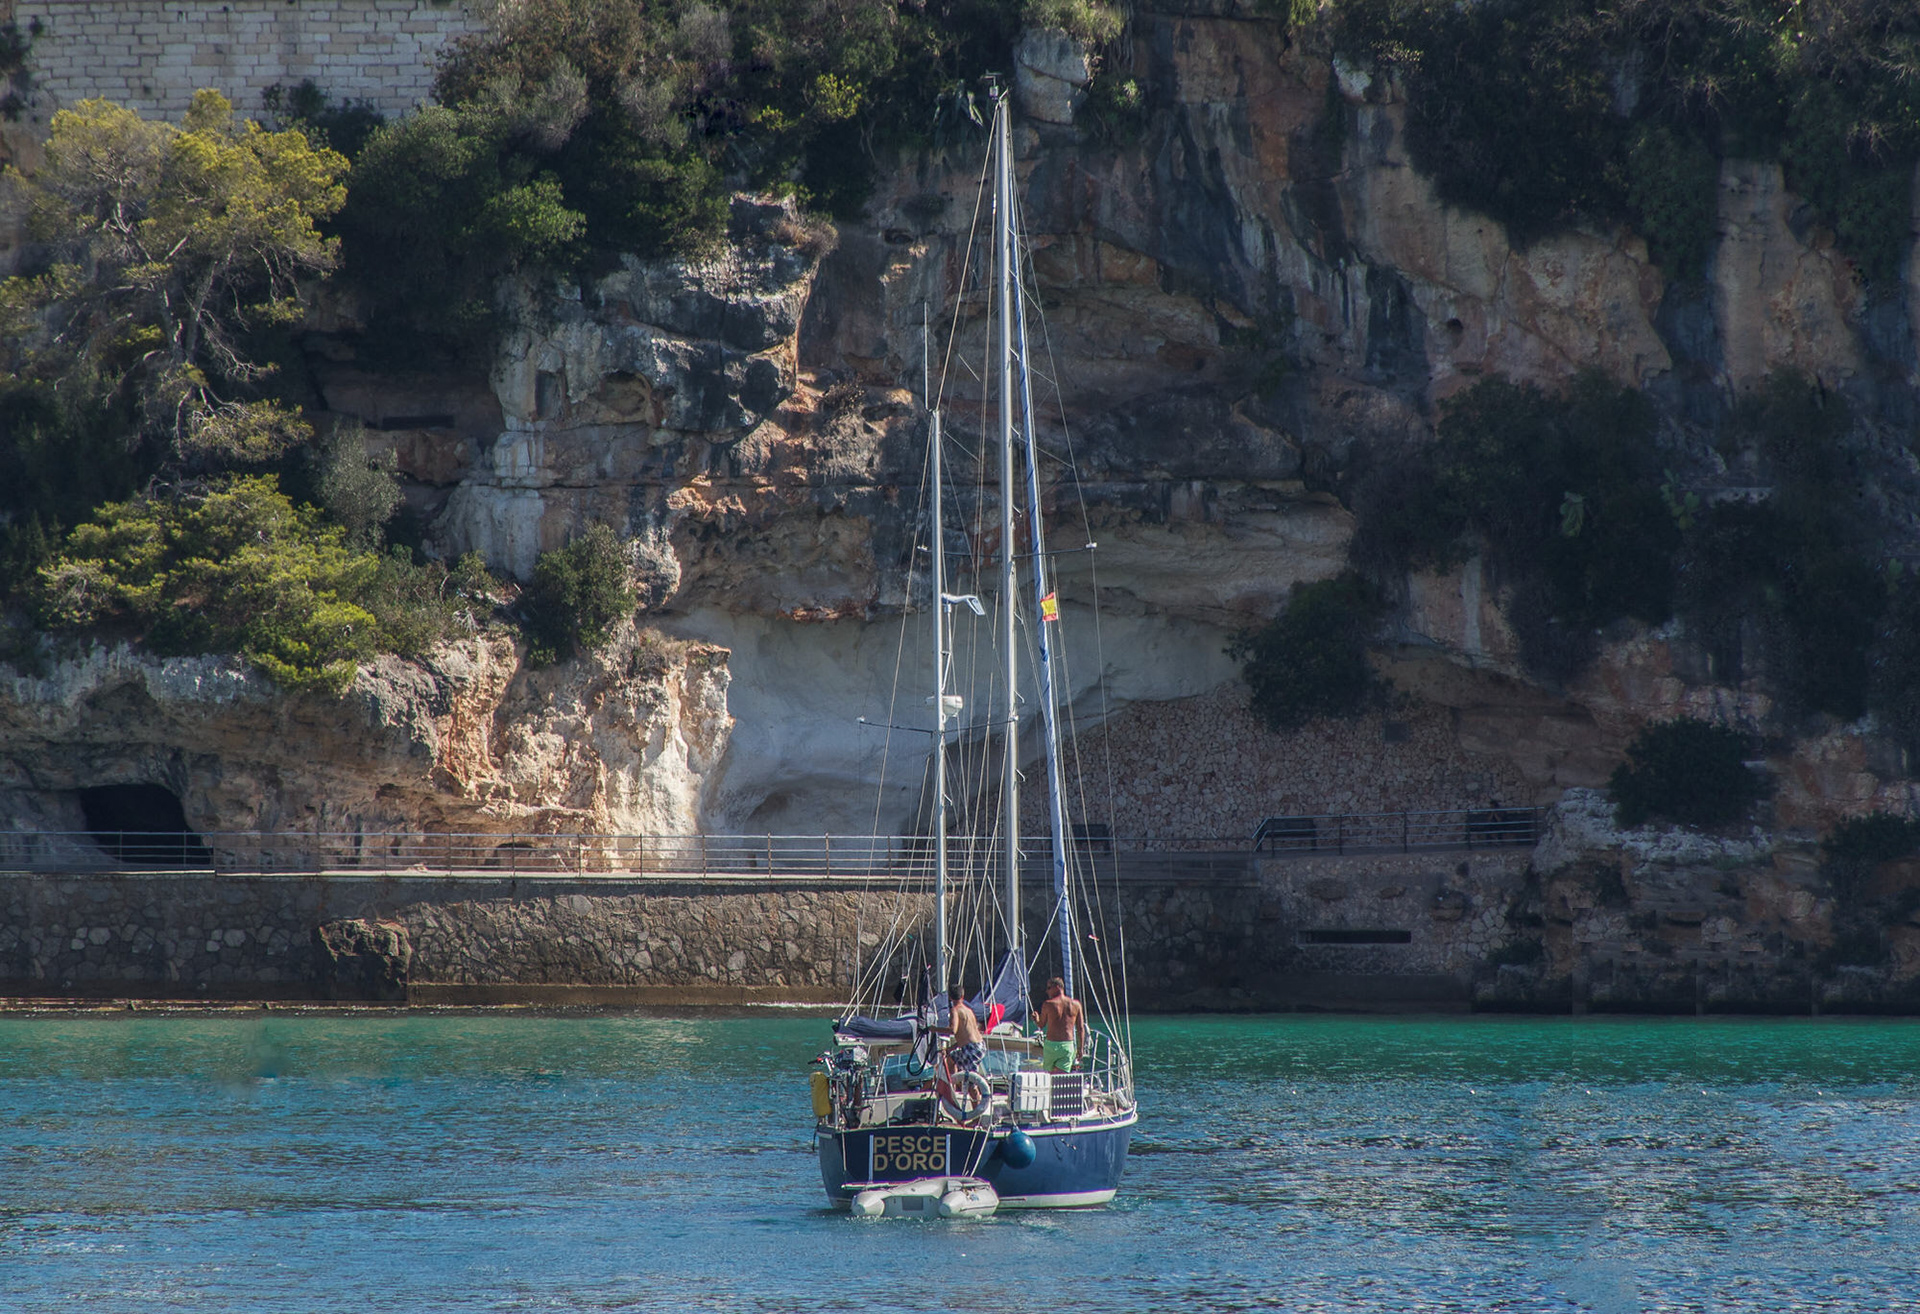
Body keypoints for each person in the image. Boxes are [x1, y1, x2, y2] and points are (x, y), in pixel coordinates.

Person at [1035, 976, 1087, 1073]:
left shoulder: (1048, 1004)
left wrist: (1036, 1019)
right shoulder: (1076, 1004)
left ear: (1058, 987)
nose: (1047, 991)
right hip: (1067, 1046)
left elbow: (1041, 1024)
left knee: (1049, 1076)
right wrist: (1080, 1048)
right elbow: (1080, 1028)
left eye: (1049, 988)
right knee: (1060, 1079)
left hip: (1051, 1046)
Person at [946, 983, 985, 1073]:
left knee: (972, 1080)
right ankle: (955, 1083)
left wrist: (933, 1029)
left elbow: (953, 1030)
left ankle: (957, 1085)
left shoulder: (955, 1010)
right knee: (951, 1059)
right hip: (980, 1046)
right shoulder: (969, 1011)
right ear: (962, 996)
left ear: (950, 997)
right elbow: (966, 1036)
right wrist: (950, 1048)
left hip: (971, 1049)